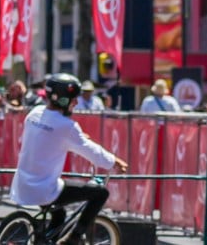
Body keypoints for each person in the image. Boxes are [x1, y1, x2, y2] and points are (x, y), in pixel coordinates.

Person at [9, 74, 125, 243]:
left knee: (59, 215)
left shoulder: (34, 114)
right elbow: (91, 150)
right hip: (45, 189)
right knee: (101, 193)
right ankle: (73, 238)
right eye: (73, 99)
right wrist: (114, 162)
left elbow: (48, 136)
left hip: (23, 183)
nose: (76, 103)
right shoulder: (67, 126)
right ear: (62, 100)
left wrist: (74, 138)